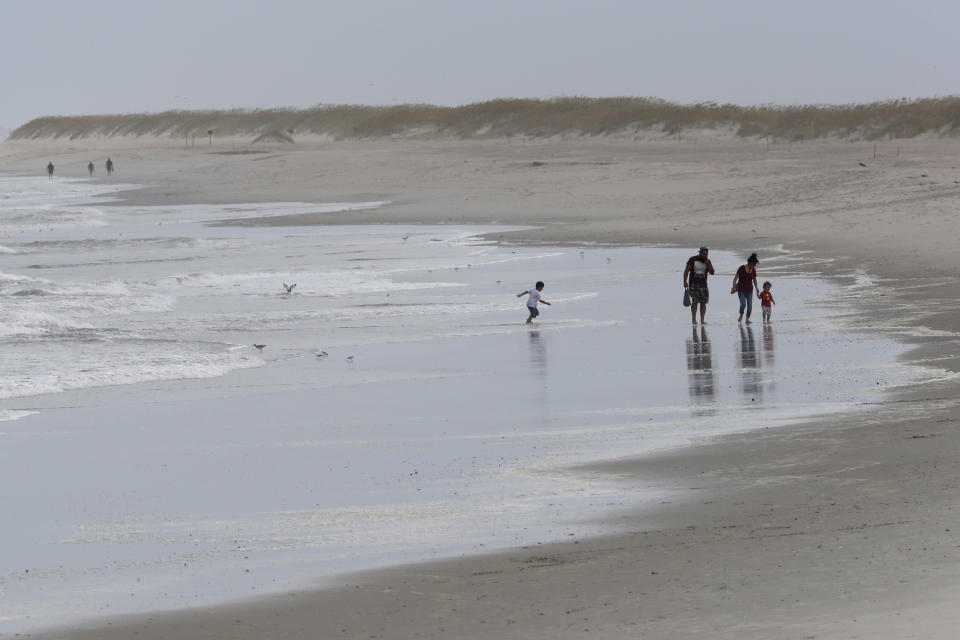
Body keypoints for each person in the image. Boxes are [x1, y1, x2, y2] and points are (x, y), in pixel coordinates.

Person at [683, 246, 715, 325]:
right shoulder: (692, 259)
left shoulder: (708, 261)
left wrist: (708, 265)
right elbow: (686, 271)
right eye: (704, 254)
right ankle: (694, 319)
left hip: (703, 285)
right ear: (700, 253)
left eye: (707, 254)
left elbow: (712, 272)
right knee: (695, 302)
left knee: (703, 303)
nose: (705, 255)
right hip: (693, 284)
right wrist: (685, 281)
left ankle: (702, 320)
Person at [731, 252, 761, 324]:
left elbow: (754, 280)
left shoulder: (753, 270)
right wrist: (734, 287)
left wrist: (757, 288)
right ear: (750, 263)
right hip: (741, 290)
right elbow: (735, 278)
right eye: (754, 264)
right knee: (743, 304)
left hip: (750, 290)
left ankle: (747, 319)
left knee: (750, 306)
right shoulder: (741, 268)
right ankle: (741, 315)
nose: (754, 266)